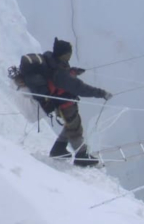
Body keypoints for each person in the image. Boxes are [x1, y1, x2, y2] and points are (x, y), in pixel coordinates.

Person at [12, 37, 112, 166]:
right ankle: (81, 156)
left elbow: (58, 74)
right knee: (75, 128)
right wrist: (102, 93)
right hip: (64, 103)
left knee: (71, 125)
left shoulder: (51, 61)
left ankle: (58, 150)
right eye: (68, 53)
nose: (69, 56)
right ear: (64, 54)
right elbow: (81, 88)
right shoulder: (61, 74)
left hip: (60, 101)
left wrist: (73, 71)